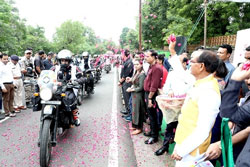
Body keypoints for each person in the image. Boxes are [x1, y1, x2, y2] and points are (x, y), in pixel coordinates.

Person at [171, 50, 221, 167]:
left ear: (201, 66)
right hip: (186, 142)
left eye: (191, 61)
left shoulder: (209, 91)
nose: (188, 64)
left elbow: (203, 129)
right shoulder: (201, 81)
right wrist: (173, 52)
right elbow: (182, 74)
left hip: (192, 150)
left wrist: (182, 150)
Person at [51, 49, 83, 126]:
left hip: (69, 88)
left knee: (70, 98)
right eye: (62, 60)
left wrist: (77, 81)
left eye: (66, 61)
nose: (64, 62)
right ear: (59, 61)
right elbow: (46, 75)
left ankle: (75, 116)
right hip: (57, 89)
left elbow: (82, 76)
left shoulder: (75, 68)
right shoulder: (54, 68)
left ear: (69, 61)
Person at [143, 50, 163, 144]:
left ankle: (154, 136)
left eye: (147, 56)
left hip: (152, 94)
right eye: (145, 56)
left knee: (153, 115)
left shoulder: (157, 68)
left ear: (154, 57)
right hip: (148, 93)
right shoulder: (151, 66)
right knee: (150, 115)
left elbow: (154, 85)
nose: (145, 58)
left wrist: (150, 98)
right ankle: (152, 132)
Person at [126, 59, 146, 135]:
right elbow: (135, 82)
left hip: (138, 95)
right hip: (134, 94)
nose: (136, 66)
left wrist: (131, 89)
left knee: (138, 111)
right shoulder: (136, 72)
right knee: (134, 111)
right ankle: (135, 125)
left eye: (137, 64)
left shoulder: (142, 74)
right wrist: (130, 80)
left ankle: (139, 128)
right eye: (134, 64)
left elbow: (141, 87)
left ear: (141, 64)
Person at [118, 49, 134, 118]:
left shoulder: (129, 62)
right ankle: (127, 110)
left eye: (122, 54)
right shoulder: (126, 61)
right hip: (124, 82)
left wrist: (120, 81)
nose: (121, 55)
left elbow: (126, 74)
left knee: (127, 98)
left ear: (124, 54)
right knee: (125, 97)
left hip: (127, 82)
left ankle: (130, 113)